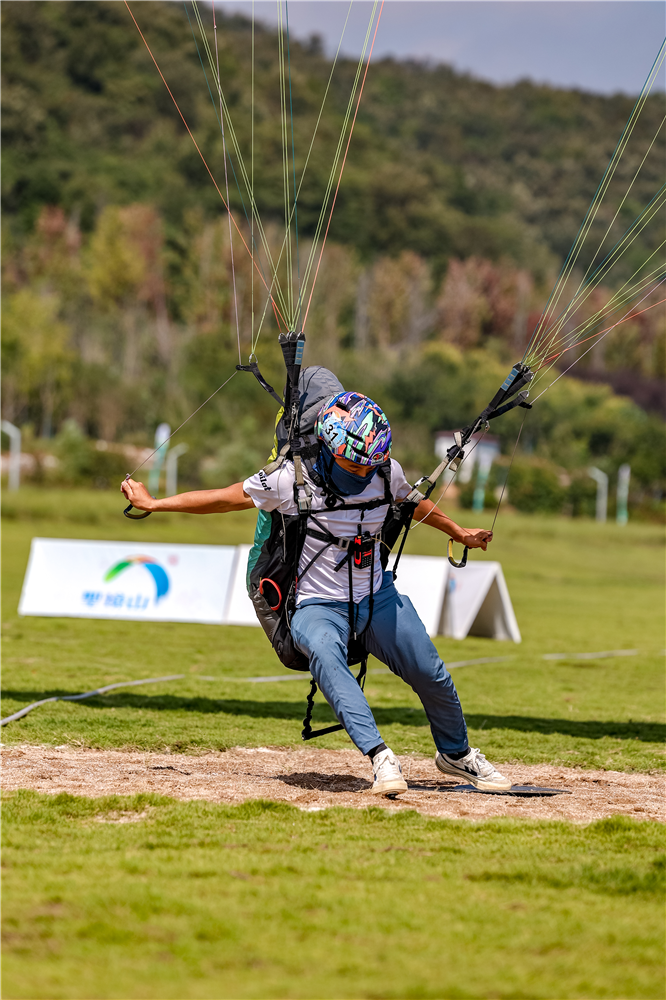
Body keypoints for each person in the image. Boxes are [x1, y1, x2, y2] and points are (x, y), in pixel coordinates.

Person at [121, 391, 511, 796]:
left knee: (430, 672)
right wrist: (156, 504)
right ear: (329, 447)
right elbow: (222, 499)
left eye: (370, 464)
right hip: (317, 604)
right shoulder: (289, 479)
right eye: (354, 463)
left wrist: (459, 532)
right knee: (326, 655)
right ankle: (380, 758)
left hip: (376, 597)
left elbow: (414, 504)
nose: (363, 472)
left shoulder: (384, 470)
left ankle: (457, 754)